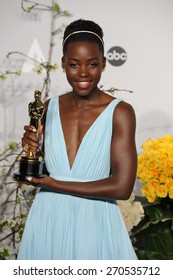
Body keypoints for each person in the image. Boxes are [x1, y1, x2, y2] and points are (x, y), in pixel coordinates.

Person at [17, 19, 138, 260]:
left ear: (104, 64)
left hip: (95, 221)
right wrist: (32, 152)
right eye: (74, 64)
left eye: (92, 64)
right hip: (48, 218)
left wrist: (52, 184)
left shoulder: (120, 112)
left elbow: (123, 187)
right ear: (63, 64)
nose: (83, 73)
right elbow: (41, 170)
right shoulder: (48, 107)